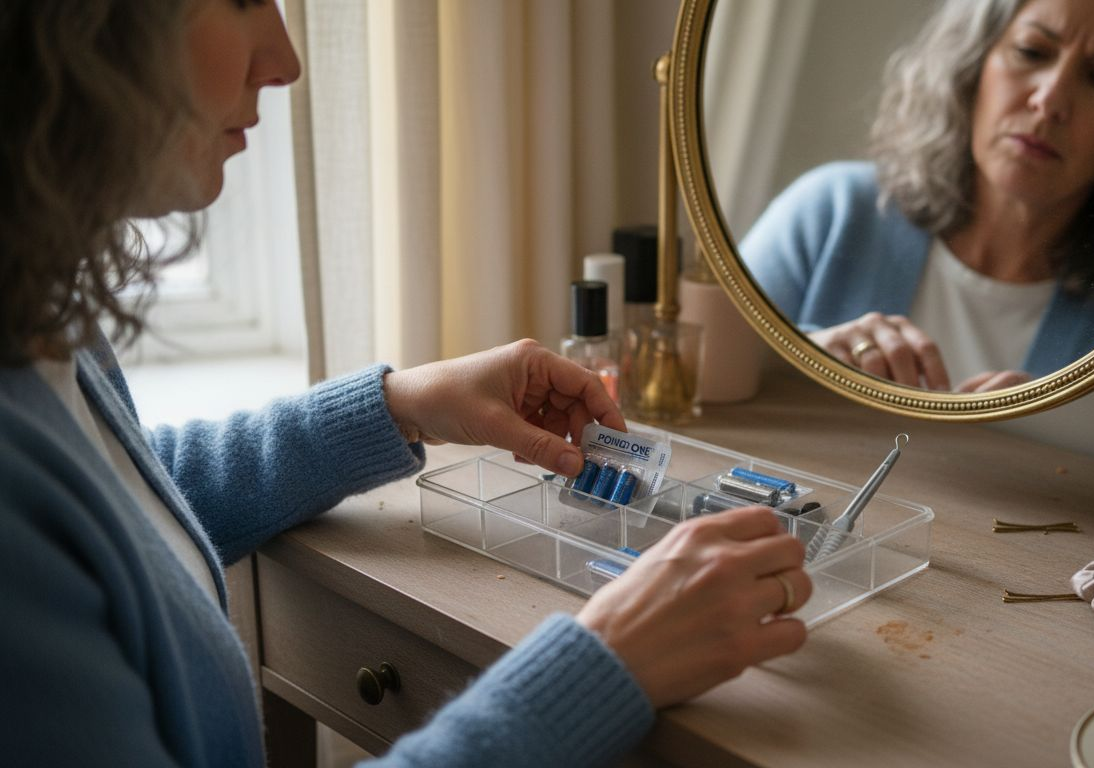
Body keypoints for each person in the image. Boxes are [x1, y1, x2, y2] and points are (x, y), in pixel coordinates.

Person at [0, 1, 812, 766]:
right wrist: (605, 667)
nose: (285, 62)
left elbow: (124, 505)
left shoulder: (39, 317)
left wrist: (398, 406)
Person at [740, 0, 1094, 392]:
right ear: (973, 64)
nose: (1050, 100)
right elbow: (690, 372)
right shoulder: (831, 211)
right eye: (1032, 51)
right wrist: (811, 352)